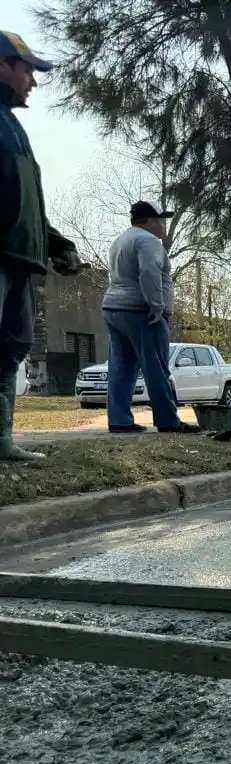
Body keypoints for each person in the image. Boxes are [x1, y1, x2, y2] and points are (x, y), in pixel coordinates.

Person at [0, 31, 83, 461]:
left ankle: (2, 443)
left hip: (21, 262)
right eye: (27, 69)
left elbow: (28, 203)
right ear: (3, 65)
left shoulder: (14, 128)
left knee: (10, 350)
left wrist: (57, 244)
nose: (32, 81)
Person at [100, 201, 200, 434]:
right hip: (140, 310)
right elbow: (148, 271)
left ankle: (119, 420)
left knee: (121, 367)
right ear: (149, 220)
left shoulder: (121, 240)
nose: (163, 225)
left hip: (114, 308)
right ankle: (167, 420)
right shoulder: (148, 241)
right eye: (160, 220)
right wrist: (156, 305)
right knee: (156, 365)